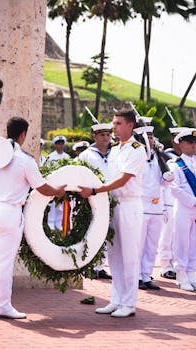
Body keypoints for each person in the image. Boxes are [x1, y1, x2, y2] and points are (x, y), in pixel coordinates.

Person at [0, 117, 66, 319]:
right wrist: (58, 192)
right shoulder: (25, 160)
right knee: (4, 261)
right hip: (9, 211)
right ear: (23, 135)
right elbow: (42, 187)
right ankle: (2, 305)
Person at [79, 108, 146, 317]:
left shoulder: (137, 149)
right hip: (113, 204)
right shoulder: (115, 149)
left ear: (130, 125)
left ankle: (129, 303)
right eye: (113, 123)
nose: (113, 127)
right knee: (115, 256)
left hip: (129, 205)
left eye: (118, 123)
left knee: (129, 256)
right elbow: (106, 177)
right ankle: (116, 299)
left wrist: (94, 191)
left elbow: (122, 180)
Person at [136, 125, 174, 291]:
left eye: (152, 137)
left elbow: (162, 182)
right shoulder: (137, 157)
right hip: (141, 205)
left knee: (151, 245)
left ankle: (146, 274)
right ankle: (136, 275)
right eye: (148, 137)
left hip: (156, 206)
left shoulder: (158, 157)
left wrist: (167, 178)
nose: (151, 140)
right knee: (139, 244)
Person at [79, 123, 113, 280]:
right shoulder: (86, 155)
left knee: (106, 233)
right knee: (92, 230)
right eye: (102, 135)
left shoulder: (116, 153)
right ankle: (89, 265)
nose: (106, 138)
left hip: (112, 198)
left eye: (108, 134)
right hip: (92, 197)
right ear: (95, 137)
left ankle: (100, 266)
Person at [158, 127, 189, 280]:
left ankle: (181, 266)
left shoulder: (190, 160)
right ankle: (165, 265)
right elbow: (164, 184)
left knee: (182, 239)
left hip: (185, 205)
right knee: (167, 237)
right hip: (170, 203)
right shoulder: (168, 158)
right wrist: (162, 206)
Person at [169, 128, 196, 291]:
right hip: (184, 208)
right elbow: (174, 188)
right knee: (182, 241)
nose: (194, 146)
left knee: (194, 241)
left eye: (195, 143)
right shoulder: (175, 165)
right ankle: (180, 273)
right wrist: (193, 201)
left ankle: (192, 271)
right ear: (181, 144)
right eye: (190, 143)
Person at [45, 135, 70, 230]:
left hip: (63, 184)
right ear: (55, 145)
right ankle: (51, 224)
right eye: (58, 144)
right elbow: (47, 170)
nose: (60, 146)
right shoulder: (50, 157)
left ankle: (59, 224)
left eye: (62, 143)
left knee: (61, 206)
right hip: (53, 184)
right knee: (52, 205)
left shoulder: (67, 157)